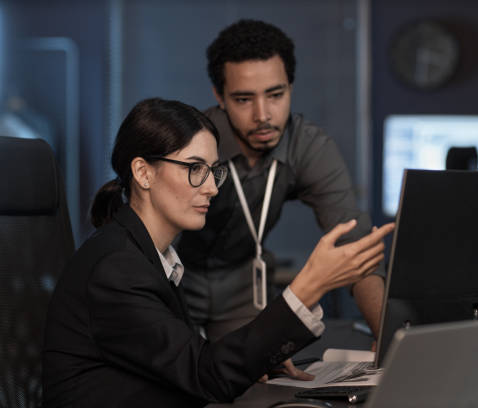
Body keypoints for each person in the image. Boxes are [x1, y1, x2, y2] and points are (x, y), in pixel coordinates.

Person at [42, 98, 394, 407]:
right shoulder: (117, 268)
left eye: (214, 171)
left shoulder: (150, 257)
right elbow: (206, 375)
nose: (211, 187)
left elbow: (185, 362)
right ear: (143, 172)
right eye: (195, 169)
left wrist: (258, 359)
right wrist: (311, 284)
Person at [177, 19, 386, 359]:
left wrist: (388, 336)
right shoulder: (191, 142)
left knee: (261, 377)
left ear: (290, 85)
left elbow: (356, 248)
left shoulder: (309, 146)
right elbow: (148, 246)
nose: (263, 115)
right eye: (244, 99)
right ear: (219, 97)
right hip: (175, 280)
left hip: (244, 282)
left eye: (275, 95)